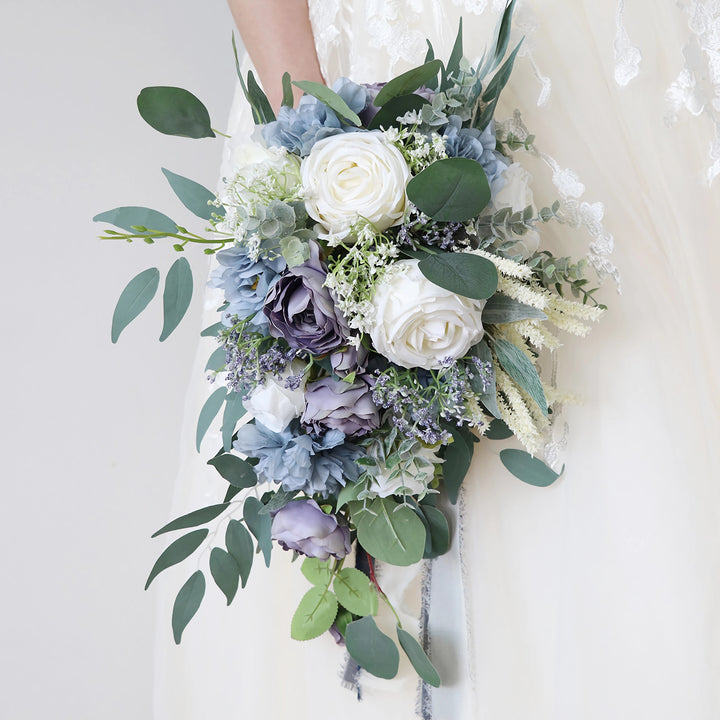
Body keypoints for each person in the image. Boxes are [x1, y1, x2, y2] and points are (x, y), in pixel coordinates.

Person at [154, 2, 720, 718]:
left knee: (640, 426)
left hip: (618, 72)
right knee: (407, 477)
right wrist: (308, 129)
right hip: (377, 66)